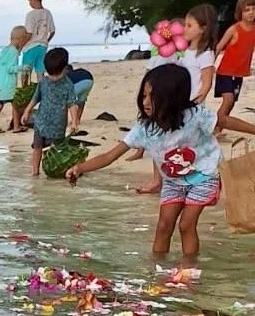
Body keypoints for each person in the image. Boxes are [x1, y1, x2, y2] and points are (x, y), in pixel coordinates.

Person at [67, 64, 226, 260]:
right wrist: (80, 167)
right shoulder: (144, 129)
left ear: (173, 98)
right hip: (174, 182)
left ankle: (189, 270)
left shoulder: (195, 115)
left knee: (186, 224)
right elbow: (110, 156)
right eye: (143, 96)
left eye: (153, 97)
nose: (146, 102)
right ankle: (156, 269)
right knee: (163, 225)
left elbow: (224, 121)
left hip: (204, 175)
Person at [138, 4, 218, 192]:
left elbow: (206, 82)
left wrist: (197, 101)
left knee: (183, 144)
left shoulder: (205, 54)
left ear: (203, 29)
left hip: (190, 105)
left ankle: (186, 179)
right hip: (175, 103)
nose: (184, 29)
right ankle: (160, 179)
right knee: (160, 139)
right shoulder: (184, 52)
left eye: (189, 26)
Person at [20, 47, 79, 176]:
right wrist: (27, 111)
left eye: (57, 74)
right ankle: (35, 171)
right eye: (51, 73)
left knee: (57, 150)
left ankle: (56, 169)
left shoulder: (68, 85)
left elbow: (72, 104)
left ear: (65, 69)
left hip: (58, 126)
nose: (53, 77)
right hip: (40, 123)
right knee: (37, 148)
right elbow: (36, 98)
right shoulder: (43, 82)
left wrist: (74, 121)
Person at [214, 0, 255, 137]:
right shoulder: (235, 29)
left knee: (231, 103)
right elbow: (219, 46)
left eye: (253, 9)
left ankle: (217, 130)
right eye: (247, 10)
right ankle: (215, 127)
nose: (251, 13)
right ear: (240, 12)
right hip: (225, 72)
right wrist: (209, 64)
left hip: (239, 74)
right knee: (228, 100)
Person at [0, 26, 29, 128]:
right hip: (8, 84)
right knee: (15, 104)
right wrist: (23, 68)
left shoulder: (5, 50)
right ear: (20, 40)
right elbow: (10, 68)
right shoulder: (14, 52)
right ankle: (16, 126)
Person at [22, 0, 55, 74]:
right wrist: (46, 40)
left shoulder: (30, 15)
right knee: (40, 71)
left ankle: (25, 87)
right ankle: (41, 87)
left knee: (26, 71)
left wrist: (21, 45)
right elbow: (52, 31)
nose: (30, 3)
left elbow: (29, 33)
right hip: (43, 46)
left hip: (30, 46)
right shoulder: (47, 13)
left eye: (29, 1)